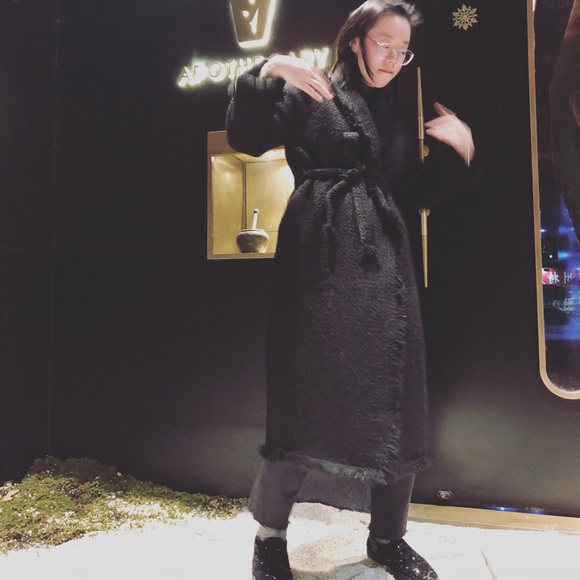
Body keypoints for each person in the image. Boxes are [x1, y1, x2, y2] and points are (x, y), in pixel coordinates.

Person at [226, 1, 477, 578]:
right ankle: (269, 536)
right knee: (302, 395)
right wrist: (269, 70)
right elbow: (246, 138)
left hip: (385, 268)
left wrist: (457, 155)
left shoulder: (393, 114)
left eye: (402, 50)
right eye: (384, 44)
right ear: (356, 40)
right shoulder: (311, 88)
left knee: (396, 396)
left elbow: (409, 193)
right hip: (318, 257)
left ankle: (388, 538)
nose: (392, 59)